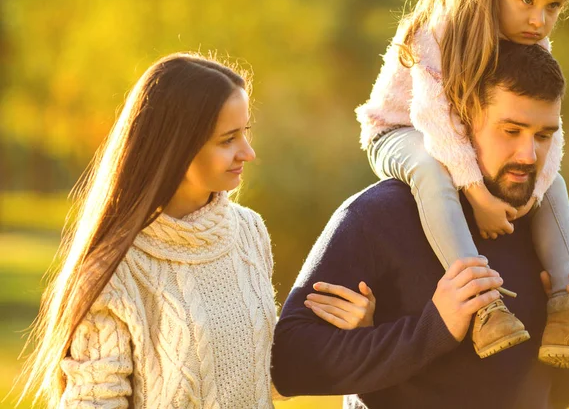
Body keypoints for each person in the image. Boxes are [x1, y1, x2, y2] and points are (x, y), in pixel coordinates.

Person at [16, 53, 375, 408]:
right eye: (227, 140)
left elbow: (265, 372)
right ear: (176, 146)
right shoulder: (114, 271)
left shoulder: (248, 231)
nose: (247, 152)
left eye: (245, 133)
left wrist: (356, 335)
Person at [271, 41, 569, 409]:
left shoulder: (542, 222)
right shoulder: (379, 214)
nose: (529, 155)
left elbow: (552, 394)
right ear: (462, 120)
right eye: (511, 131)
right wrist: (435, 328)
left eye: (543, 136)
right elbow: (290, 363)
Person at [354, 0, 569, 362]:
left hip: (471, 135)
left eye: (553, 7)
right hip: (402, 129)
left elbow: (549, 128)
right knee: (430, 170)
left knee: (554, 181)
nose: (538, 20)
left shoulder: (531, 42)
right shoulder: (447, 20)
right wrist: (478, 194)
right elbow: (431, 116)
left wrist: (532, 194)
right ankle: (484, 306)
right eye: (527, 1)